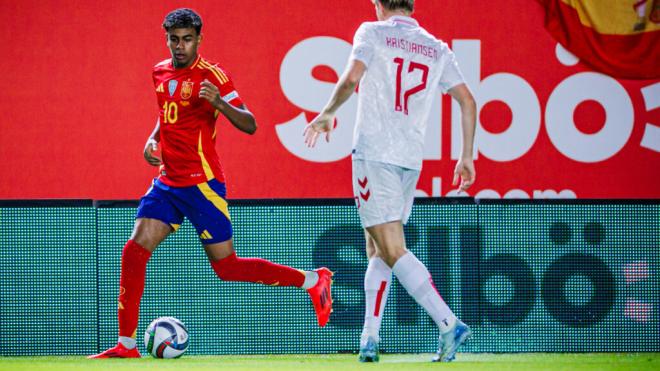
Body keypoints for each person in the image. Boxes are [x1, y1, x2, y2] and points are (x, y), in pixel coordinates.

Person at [89, 8, 333, 359]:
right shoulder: (159, 71)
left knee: (226, 267)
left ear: (199, 40)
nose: (180, 46)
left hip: (203, 185)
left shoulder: (213, 76)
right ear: (167, 39)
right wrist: (151, 139)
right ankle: (126, 345)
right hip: (168, 183)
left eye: (187, 39)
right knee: (134, 250)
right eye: (174, 39)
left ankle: (313, 280)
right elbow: (166, 115)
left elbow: (250, 124)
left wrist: (217, 102)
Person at [304, 0, 476, 363]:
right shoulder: (436, 46)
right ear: (411, 5)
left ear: (377, 4)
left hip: (374, 153)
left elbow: (351, 78)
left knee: (392, 248)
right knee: (377, 247)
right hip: (410, 159)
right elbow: (467, 101)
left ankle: (448, 323)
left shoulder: (372, 32)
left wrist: (326, 113)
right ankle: (369, 337)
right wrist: (466, 155)